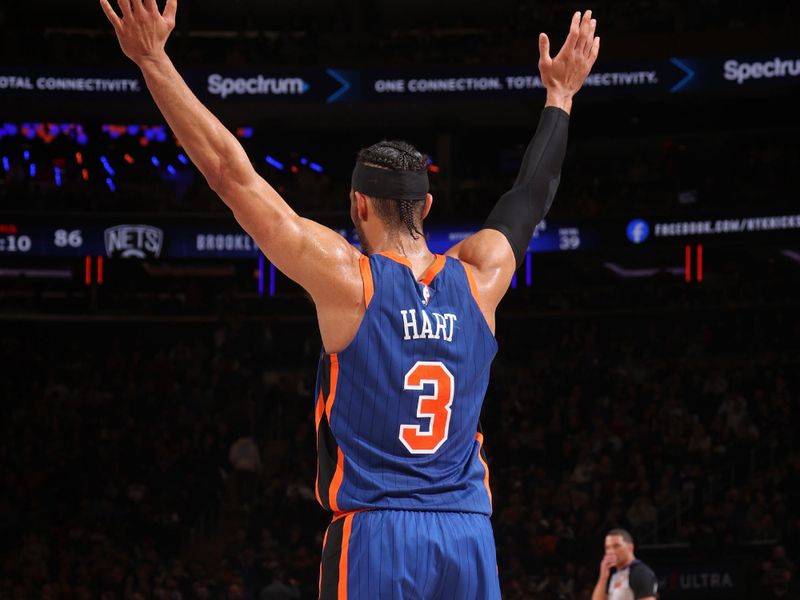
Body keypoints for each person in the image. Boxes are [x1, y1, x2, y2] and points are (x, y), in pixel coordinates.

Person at [99, 1, 599, 597]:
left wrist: (153, 60)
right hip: (467, 533)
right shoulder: (481, 276)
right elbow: (530, 193)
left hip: (377, 533)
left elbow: (232, 176)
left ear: (358, 206)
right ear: (428, 207)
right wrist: (561, 95)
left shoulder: (348, 279)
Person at [592, 529, 658, 600]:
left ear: (630, 548)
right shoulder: (614, 575)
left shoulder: (640, 572)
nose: (611, 551)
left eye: (616, 546)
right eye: (607, 547)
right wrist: (603, 577)